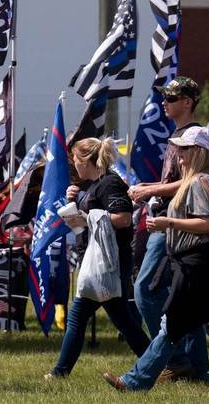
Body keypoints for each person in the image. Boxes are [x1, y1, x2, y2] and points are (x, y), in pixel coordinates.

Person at [103, 126, 209, 393]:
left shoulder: (199, 182)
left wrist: (167, 223)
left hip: (197, 263)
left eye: (184, 150)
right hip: (203, 261)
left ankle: (135, 382)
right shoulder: (201, 180)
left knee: (171, 325)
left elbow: (206, 224)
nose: (178, 155)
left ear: (198, 152)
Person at [48, 137, 150, 379]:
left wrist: (86, 218)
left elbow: (123, 218)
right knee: (123, 320)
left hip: (109, 262)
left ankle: (59, 373)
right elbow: (93, 214)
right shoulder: (94, 185)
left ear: (86, 161)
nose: (74, 165)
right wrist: (74, 200)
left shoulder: (110, 183)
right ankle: (158, 364)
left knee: (80, 317)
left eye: (75, 160)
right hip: (100, 261)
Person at [126, 76, 203, 380]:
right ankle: (197, 369)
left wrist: (150, 190)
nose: (164, 103)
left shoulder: (193, 136)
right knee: (188, 299)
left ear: (187, 102)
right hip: (169, 221)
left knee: (145, 290)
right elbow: (175, 181)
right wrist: (149, 187)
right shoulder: (177, 135)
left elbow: (191, 180)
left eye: (170, 98)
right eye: (164, 97)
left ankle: (177, 358)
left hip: (174, 225)